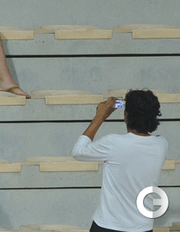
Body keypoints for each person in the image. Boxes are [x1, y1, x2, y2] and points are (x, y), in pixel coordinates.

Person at [72, 90, 168, 232]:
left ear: (126, 116)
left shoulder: (113, 143)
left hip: (107, 225)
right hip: (142, 227)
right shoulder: (161, 144)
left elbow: (78, 151)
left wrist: (100, 116)